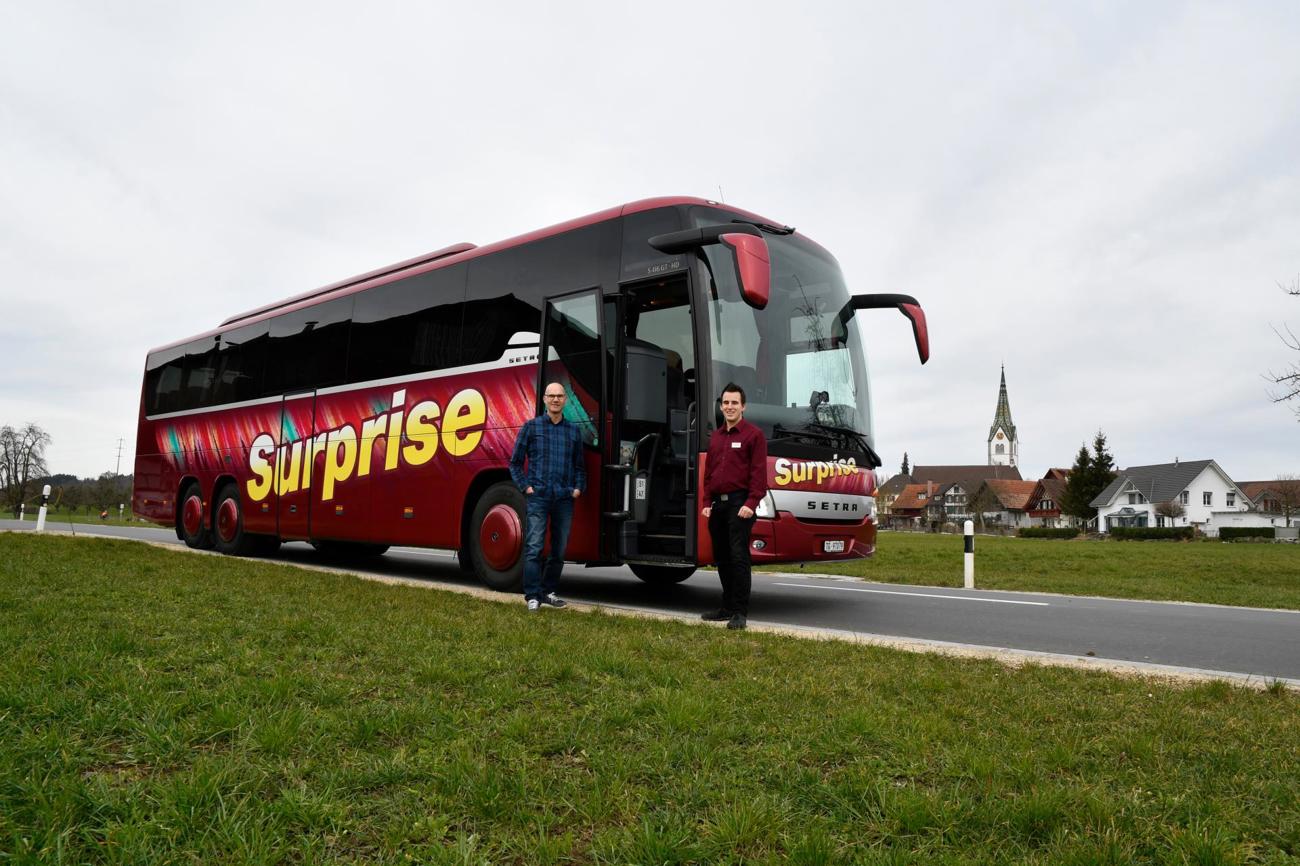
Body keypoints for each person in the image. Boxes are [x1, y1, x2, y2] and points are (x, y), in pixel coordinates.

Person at [509, 382, 586, 612]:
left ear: (565, 400)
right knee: (534, 547)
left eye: (560, 396)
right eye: (551, 396)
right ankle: (532, 595)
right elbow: (514, 463)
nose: (555, 400)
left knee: (559, 550)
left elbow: (580, 467)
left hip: (564, 498)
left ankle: (548, 591)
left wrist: (577, 489)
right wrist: (526, 488)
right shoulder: (531, 428)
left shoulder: (573, 431)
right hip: (538, 497)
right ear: (544, 399)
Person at [700, 382, 767, 630]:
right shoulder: (716, 437)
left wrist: (751, 503)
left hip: (741, 505)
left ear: (743, 406)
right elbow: (710, 475)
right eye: (726, 403)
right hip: (718, 506)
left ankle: (740, 612)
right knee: (722, 559)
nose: (729, 407)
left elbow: (759, 476)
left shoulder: (754, 435)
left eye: (734, 403)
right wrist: (707, 502)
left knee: (739, 558)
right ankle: (726, 607)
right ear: (721, 405)